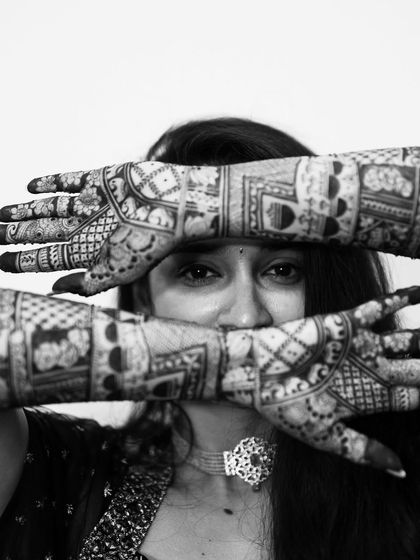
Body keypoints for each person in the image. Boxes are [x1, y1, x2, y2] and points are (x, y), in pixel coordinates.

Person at [1, 118, 420, 560]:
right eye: (199, 272)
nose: (246, 316)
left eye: (283, 270)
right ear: (142, 299)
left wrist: (211, 199)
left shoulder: (403, 475)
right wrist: (240, 363)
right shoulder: (64, 471)